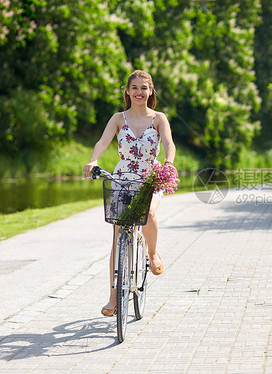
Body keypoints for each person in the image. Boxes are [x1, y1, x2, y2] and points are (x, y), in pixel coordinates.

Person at [82, 70, 177, 317]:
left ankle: (153, 253)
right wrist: (93, 161)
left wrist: (168, 162)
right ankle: (113, 296)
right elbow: (102, 142)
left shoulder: (159, 118)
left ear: (151, 91)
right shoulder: (118, 118)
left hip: (150, 178)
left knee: (149, 214)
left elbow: (168, 143)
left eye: (144, 88)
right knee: (117, 236)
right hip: (122, 178)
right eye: (134, 88)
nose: (139, 92)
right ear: (127, 91)